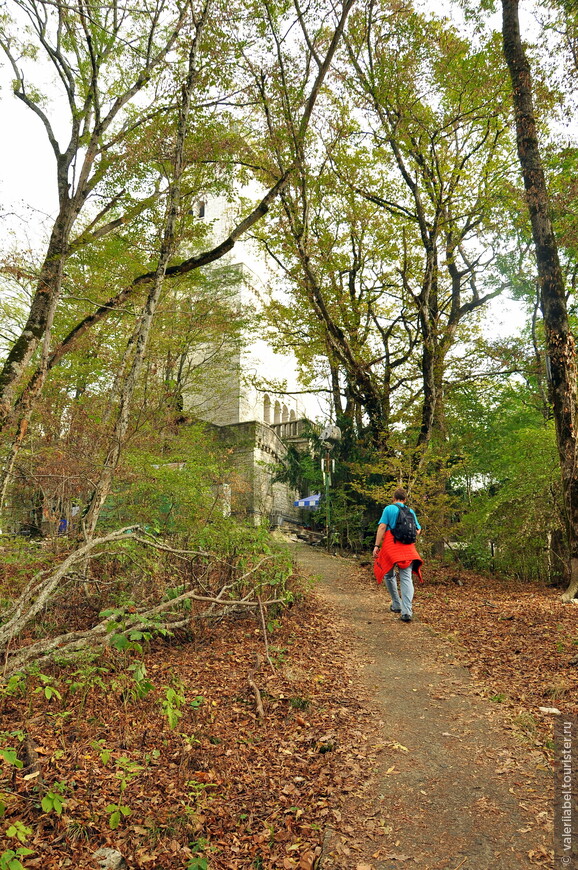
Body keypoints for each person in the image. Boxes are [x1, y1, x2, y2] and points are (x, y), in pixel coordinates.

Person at [372, 487, 422, 623]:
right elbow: (418, 530)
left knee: (389, 575)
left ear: (393, 499)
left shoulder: (389, 509)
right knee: (406, 578)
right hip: (407, 548)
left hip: (390, 546)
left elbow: (382, 527)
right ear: (405, 500)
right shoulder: (410, 511)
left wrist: (376, 546)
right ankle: (407, 611)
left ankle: (396, 603)